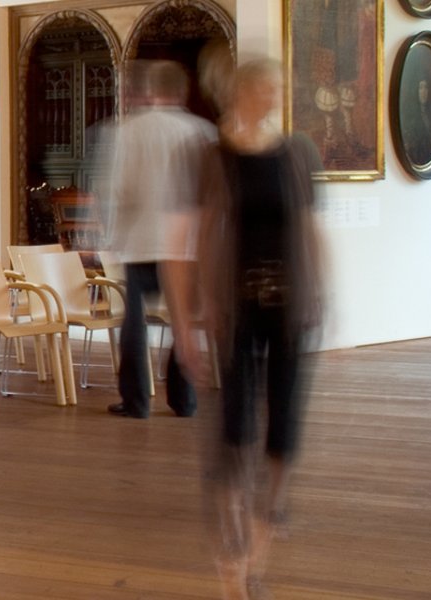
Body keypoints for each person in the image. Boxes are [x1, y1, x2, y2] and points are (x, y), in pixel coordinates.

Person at [191, 57, 326, 600]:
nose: (273, 96)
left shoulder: (296, 153)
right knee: (236, 414)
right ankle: (235, 531)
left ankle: (273, 504)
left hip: (288, 301)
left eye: (277, 88)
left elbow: (310, 227)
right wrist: (204, 300)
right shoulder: (215, 156)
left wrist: (320, 289)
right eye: (265, 88)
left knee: (285, 408)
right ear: (242, 91)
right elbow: (206, 233)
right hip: (237, 303)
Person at [101, 60, 216, 419]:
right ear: (183, 91)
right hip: (187, 244)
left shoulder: (130, 131)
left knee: (134, 322)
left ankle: (136, 401)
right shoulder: (203, 131)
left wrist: (113, 235)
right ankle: (184, 399)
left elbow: (120, 189)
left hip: (141, 241)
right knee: (184, 319)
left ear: (151, 90)